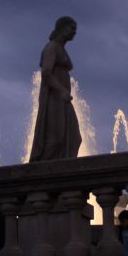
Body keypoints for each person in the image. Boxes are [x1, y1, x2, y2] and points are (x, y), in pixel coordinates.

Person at [28, 17, 82, 162]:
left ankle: (66, 168)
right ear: (62, 28)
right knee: (56, 139)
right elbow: (46, 73)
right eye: (72, 28)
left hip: (63, 100)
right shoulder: (52, 47)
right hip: (54, 98)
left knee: (74, 138)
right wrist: (61, 90)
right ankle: (42, 170)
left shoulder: (61, 48)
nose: (74, 32)